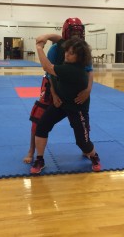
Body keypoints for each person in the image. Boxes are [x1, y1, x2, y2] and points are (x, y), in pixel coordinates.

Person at [23, 18, 93, 163]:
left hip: (72, 89)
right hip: (52, 83)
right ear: (67, 33)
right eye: (73, 33)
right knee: (39, 117)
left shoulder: (82, 49)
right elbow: (49, 72)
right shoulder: (56, 49)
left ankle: (85, 146)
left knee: (81, 122)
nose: (76, 36)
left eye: (79, 33)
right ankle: (32, 150)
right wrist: (54, 94)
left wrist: (88, 90)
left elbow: (89, 71)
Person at [30, 37, 100, 174]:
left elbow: (47, 67)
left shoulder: (74, 71)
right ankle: (40, 159)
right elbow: (53, 80)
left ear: (79, 57)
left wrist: (39, 47)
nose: (67, 54)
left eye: (71, 53)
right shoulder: (65, 65)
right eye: (67, 51)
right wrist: (55, 95)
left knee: (83, 143)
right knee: (41, 127)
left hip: (76, 108)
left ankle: (94, 156)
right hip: (61, 103)